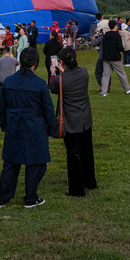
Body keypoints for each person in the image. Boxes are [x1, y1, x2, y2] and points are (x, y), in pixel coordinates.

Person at [0, 48, 55, 209]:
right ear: (35, 64)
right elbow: (48, 109)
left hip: (14, 124)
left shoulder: (9, 81)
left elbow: (3, 107)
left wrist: (4, 124)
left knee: (11, 163)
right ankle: (30, 196)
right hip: (34, 126)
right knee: (36, 163)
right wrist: (52, 128)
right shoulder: (39, 84)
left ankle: (4, 197)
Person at [49, 48, 97, 197]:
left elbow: (54, 88)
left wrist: (53, 72)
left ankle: (77, 189)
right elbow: (72, 76)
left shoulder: (61, 80)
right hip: (85, 119)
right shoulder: (83, 72)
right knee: (87, 151)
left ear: (61, 62)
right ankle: (90, 181)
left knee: (74, 155)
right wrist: (64, 70)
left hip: (71, 122)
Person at [99, 19, 130, 96]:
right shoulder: (116, 35)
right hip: (115, 57)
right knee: (121, 74)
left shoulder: (105, 35)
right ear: (115, 26)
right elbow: (119, 46)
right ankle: (127, 89)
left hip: (106, 57)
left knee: (105, 75)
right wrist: (122, 48)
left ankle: (104, 92)